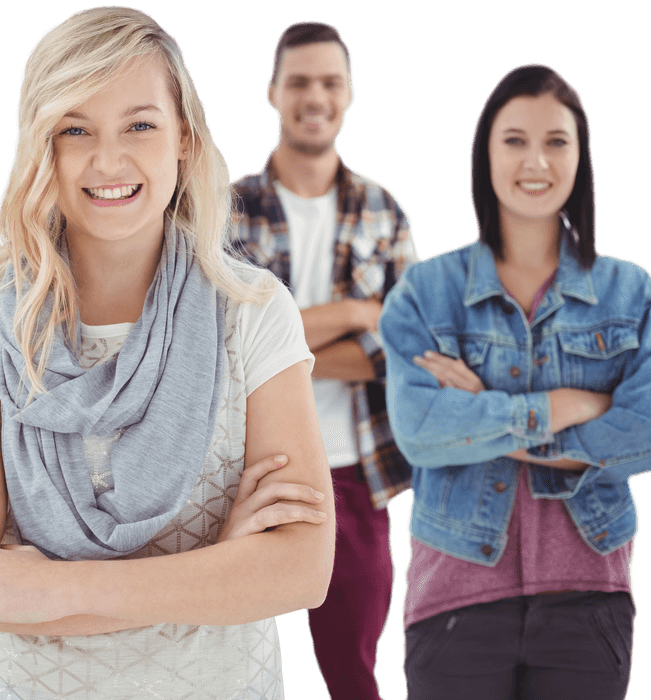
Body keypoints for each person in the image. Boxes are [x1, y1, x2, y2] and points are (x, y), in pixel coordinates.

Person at [0, 6, 335, 698]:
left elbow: (300, 571)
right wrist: (220, 573)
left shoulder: (252, 311)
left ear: (185, 142)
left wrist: (50, 587)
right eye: (74, 129)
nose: (108, 160)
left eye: (139, 125)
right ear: (40, 149)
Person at [380, 63, 651, 699]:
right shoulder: (427, 294)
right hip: (453, 600)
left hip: (589, 597)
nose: (534, 161)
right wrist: (570, 405)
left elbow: (646, 439)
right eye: (514, 140)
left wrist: (485, 413)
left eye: (555, 141)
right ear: (484, 152)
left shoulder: (631, 292)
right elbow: (422, 434)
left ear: (581, 157)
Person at [231, 20, 418, 700]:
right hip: (242, 474)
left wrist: (278, 344)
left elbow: (404, 349)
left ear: (350, 94)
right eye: (300, 81)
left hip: (352, 474)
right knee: (227, 662)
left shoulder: (383, 211)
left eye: (330, 82)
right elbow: (221, 345)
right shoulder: (225, 209)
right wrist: (351, 315)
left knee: (354, 675)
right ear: (272, 92)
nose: (316, 96)